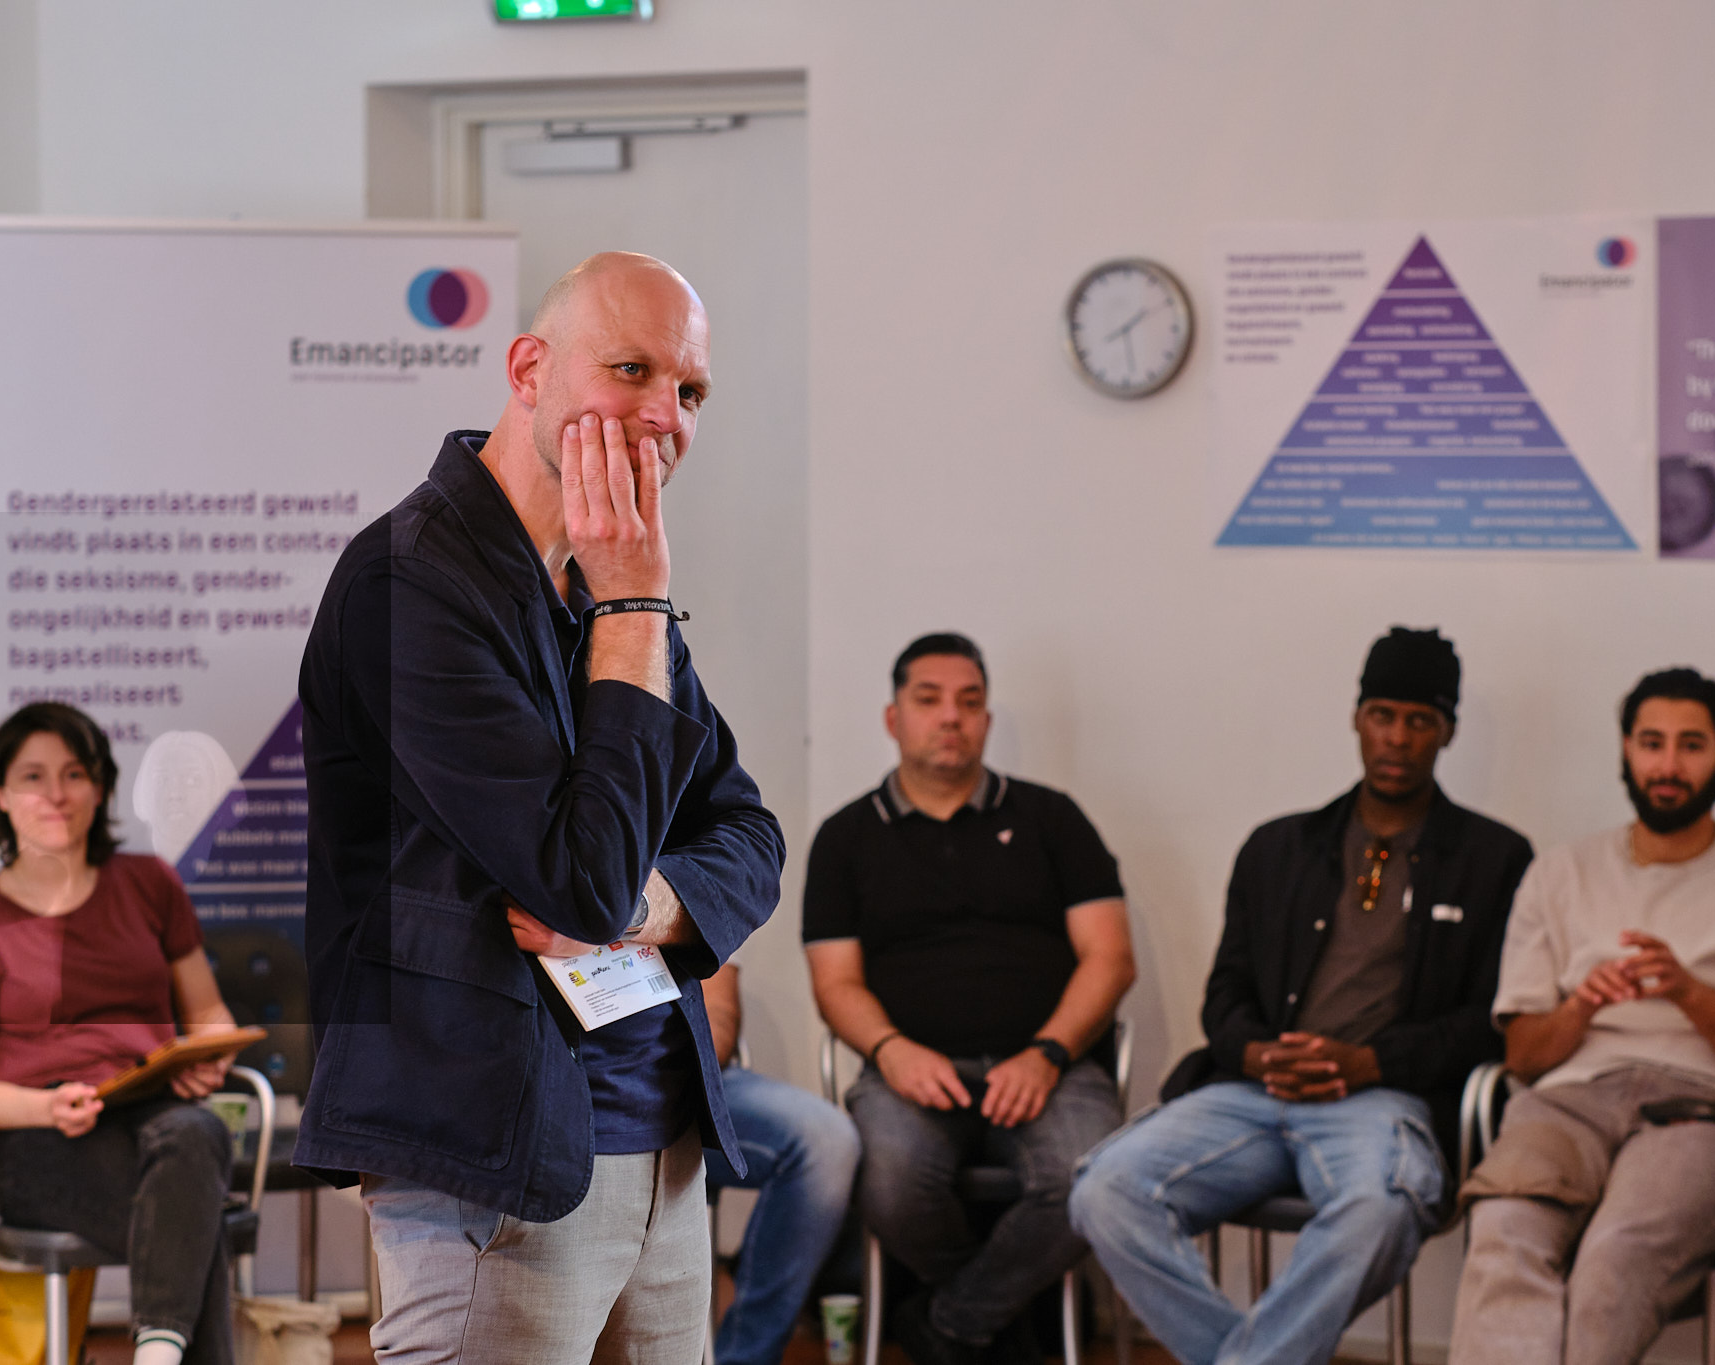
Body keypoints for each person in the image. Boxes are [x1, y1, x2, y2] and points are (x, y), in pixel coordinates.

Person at [295, 252, 785, 1363]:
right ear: (528, 370)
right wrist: (635, 603)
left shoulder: (606, 589)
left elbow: (748, 835)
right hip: (493, 1157)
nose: (664, 416)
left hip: (661, 1146)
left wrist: (654, 909)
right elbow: (578, 880)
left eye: (691, 391)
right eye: (631, 370)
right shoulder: (408, 580)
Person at [1069, 626, 1532, 1365]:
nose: (1398, 738)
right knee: (1104, 1190)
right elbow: (1225, 995)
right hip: (1253, 1091)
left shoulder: (1495, 858)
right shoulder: (1278, 847)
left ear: (1447, 731)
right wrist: (1257, 1053)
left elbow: (1491, 1021)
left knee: (1382, 1209)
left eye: (1420, 720)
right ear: (1357, 718)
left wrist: (1370, 1062)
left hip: (1381, 1101)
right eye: (1383, 715)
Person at [1449, 667, 1715, 1365]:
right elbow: (1523, 1055)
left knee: (1613, 1260)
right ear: (1626, 750)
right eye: (1652, 743)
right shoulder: (1559, 873)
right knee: (1503, 1231)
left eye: (1691, 745)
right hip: (1567, 1101)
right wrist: (1582, 1005)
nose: (1668, 765)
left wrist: (1689, 993)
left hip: (1707, 1109)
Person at [803, 632, 1135, 1365]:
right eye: (929, 699)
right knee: (889, 1181)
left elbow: (1111, 959)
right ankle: (1002, 1326)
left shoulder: (1053, 819)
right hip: (909, 1070)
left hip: (1052, 1067)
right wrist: (892, 1051)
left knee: (1093, 1178)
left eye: (970, 701)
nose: (951, 716)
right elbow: (835, 982)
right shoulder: (845, 837)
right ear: (893, 717)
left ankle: (948, 1324)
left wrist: (1047, 1054)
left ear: (986, 719)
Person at [0, 702, 242, 1365]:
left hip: (154, 1111)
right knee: (195, 1220)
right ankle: (159, 1352)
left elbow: (210, 1014)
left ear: (99, 788)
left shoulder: (150, 883)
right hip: (40, 1136)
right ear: (1, 794)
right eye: (33, 776)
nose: (56, 793)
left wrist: (208, 1057)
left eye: (74, 773)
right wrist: (47, 1106)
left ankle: (155, 1353)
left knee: (198, 1132)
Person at [699, 952, 862, 1365]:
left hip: (685, 1076)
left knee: (826, 1139)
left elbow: (718, 1010)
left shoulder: (690, 906)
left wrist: (668, 1070)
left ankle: (746, 1356)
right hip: (570, 1082)